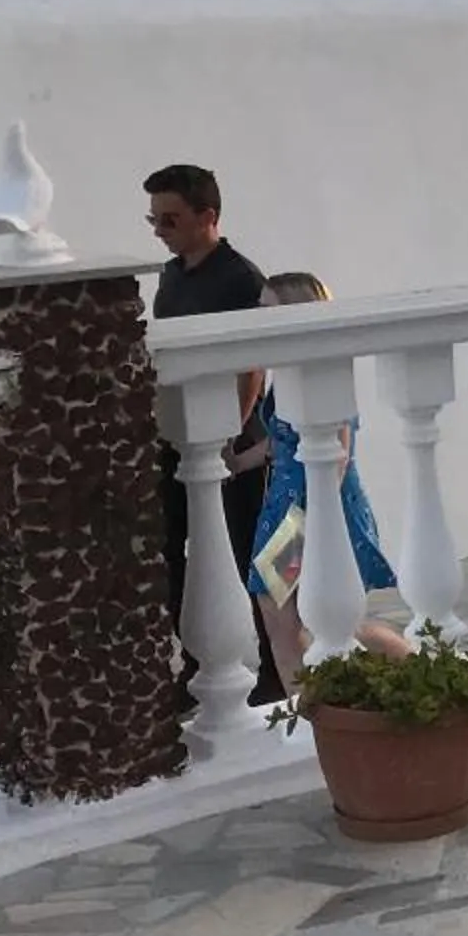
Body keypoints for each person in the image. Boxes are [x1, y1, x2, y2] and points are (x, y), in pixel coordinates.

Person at [144, 163, 283, 705]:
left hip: (234, 446)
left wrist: (232, 433)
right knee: (175, 551)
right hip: (177, 441)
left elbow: (254, 364)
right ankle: (196, 664)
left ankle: (275, 667)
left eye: (171, 219)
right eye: (153, 220)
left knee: (253, 553)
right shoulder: (170, 276)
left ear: (208, 216)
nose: (160, 231)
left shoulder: (241, 279)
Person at [245, 272, 412, 684]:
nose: (258, 317)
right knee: (294, 613)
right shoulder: (285, 371)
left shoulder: (322, 372)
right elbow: (279, 443)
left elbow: (337, 454)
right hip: (286, 507)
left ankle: (405, 664)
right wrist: (235, 462)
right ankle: (306, 704)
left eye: (268, 309)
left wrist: (314, 523)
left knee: (294, 613)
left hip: (311, 509)